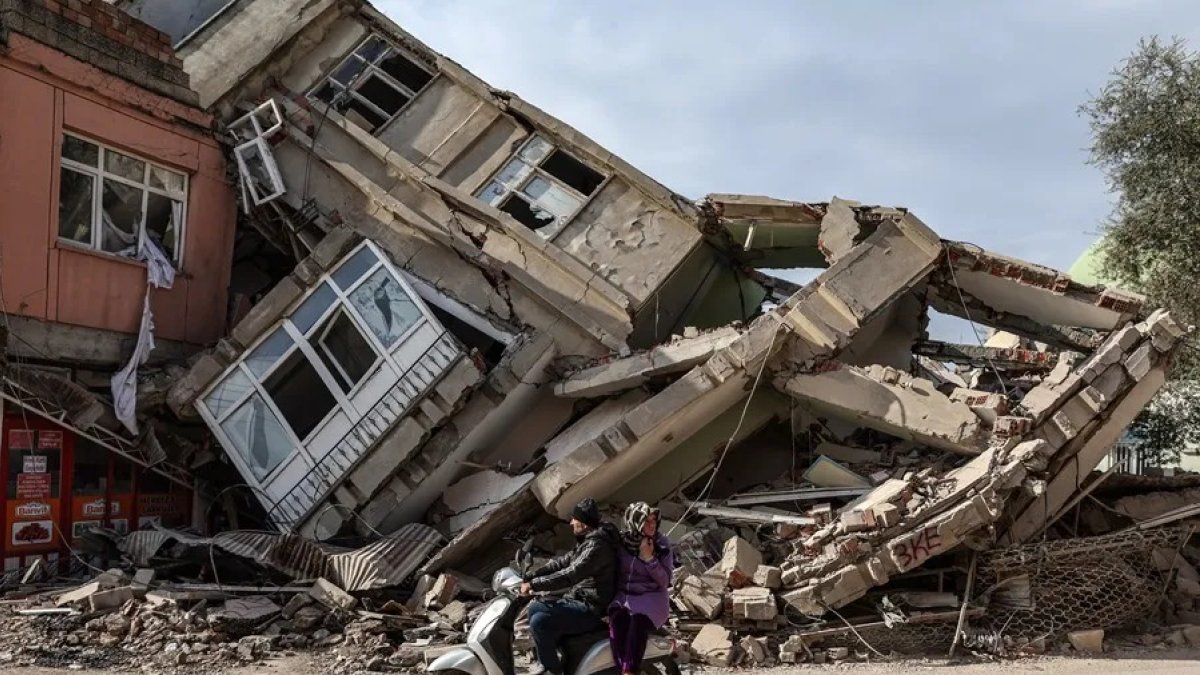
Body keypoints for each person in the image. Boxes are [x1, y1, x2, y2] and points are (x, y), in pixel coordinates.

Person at [520, 498, 620, 675]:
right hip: (580, 599)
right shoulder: (588, 540)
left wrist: (535, 585)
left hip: (591, 608)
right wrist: (533, 574)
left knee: (540, 622)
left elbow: (570, 574)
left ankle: (553, 670)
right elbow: (562, 562)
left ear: (585, 523)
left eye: (575, 518)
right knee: (535, 607)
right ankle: (555, 656)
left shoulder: (597, 546)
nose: (571, 522)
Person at [608, 502, 673, 675]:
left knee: (637, 623)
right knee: (617, 624)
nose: (652, 525)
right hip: (624, 598)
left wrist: (649, 558)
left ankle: (629, 671)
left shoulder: (661, 544)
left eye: (653, 521)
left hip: (652, 599)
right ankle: (623, 669)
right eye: (646, 521)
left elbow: (664, 582)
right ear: (634, 523)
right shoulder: (622, 543)